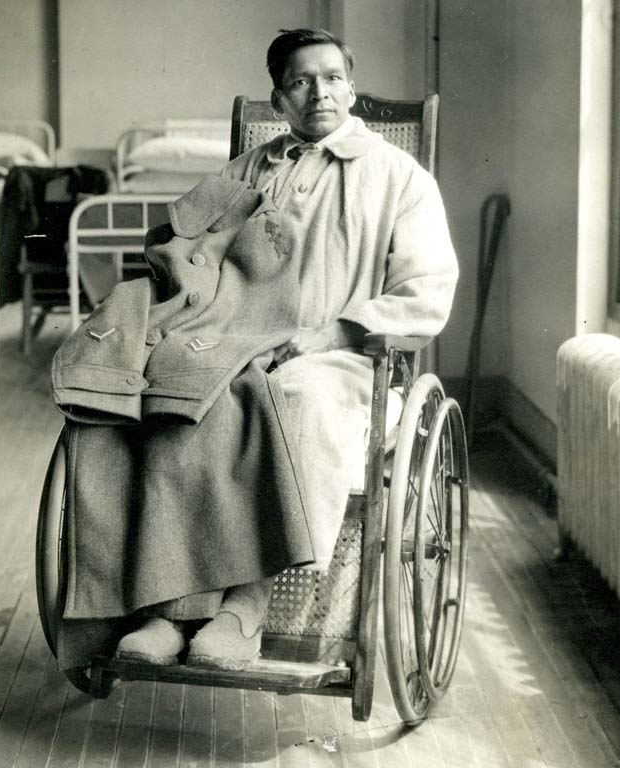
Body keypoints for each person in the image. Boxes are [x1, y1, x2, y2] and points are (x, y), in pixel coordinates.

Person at [113, 27, 458, 669]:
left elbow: (426, 290)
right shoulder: (247, 171)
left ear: (350, 89)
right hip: (235, 347)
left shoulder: (396, 177)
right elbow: (191, 253)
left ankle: (245, 609)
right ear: (280, 97)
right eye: (300, 81)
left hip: (341, 358)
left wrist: (334, 332)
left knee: (293, 398)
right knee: (177, 395)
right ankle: (169, 610)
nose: (318, 92)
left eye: (331, 78)